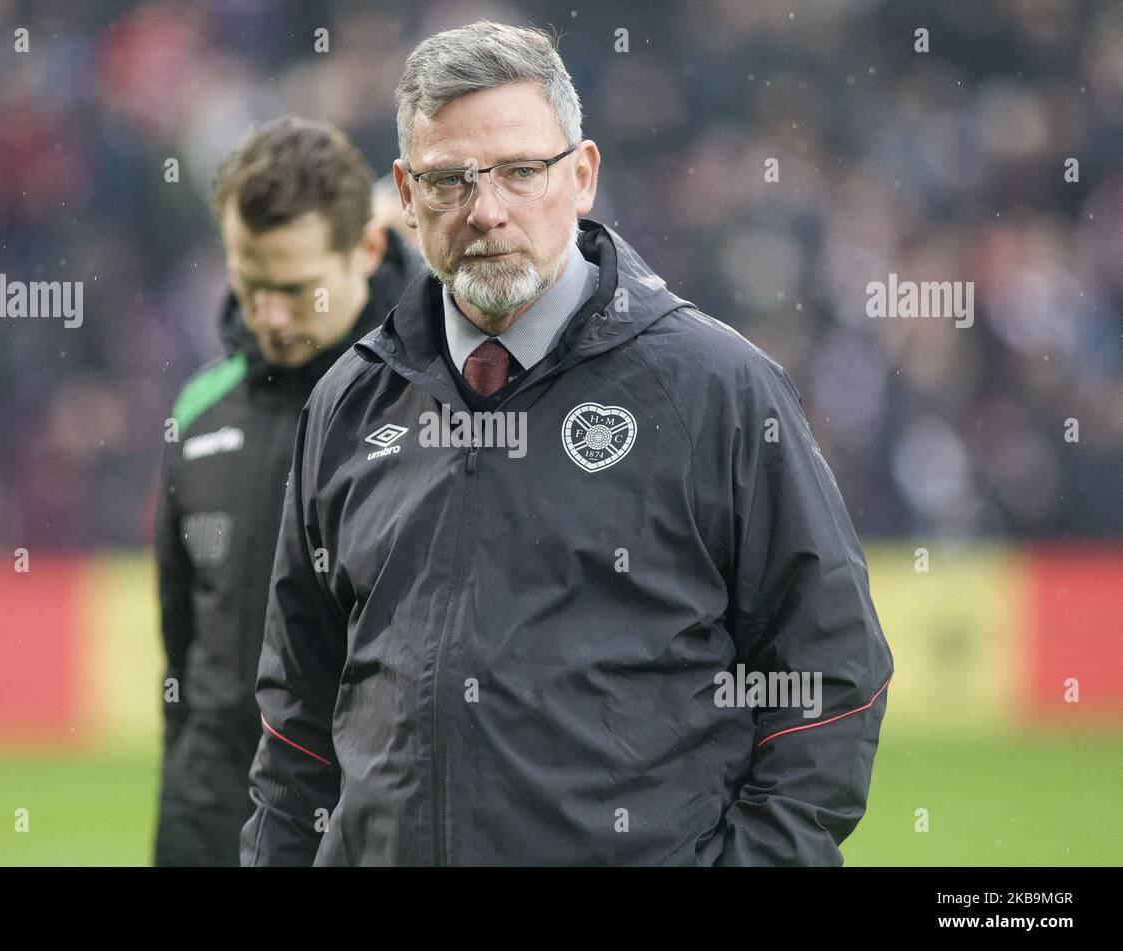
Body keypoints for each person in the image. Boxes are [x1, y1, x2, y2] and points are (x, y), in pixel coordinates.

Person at [241, 23, 893, 866]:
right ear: (404, 194)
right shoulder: (346, 403)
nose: (486, 210)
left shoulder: (718, 389)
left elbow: (831, 679)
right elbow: (296, 722)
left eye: (520, 171)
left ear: (581, 175)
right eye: (450, 180)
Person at [153, 116, 423, 866]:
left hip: (363, 832)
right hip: (208, 824)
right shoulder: (199, 411)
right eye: (249, 284)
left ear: (368, 250)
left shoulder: (442, 405)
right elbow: (183, 651)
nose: (266, 315)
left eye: (295, 290)